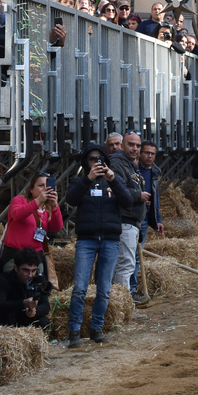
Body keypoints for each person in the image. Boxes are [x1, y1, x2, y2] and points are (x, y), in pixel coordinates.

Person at [64, 144, 133, 348]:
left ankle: (97, 328)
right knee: (79, 288)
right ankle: (74, 330)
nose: (97, 162)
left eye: (100, 159)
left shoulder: (115, 181)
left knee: (104, 289)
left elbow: (128, 201)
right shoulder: (80, 181)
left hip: (110, 240)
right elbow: (71, 199)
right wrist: (89, 179)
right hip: (86, 240)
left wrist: (113, 180)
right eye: (92, 159)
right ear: (86, 162)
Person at [110, 132, 147, 301]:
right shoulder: (117, 163)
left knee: (125, 265)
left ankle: (121, 304)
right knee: (125, 266)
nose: (135, 149)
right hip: (123, 220)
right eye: (131, 145)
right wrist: (139, 196)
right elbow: (117, 190)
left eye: (138, 146)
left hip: (131, 221)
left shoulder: (130, 164)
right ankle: (123, 306)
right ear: (122, 145)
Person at [0, 172, 62, 274]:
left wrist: (55, 207)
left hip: (35, 256)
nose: (45, 189)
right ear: (31, 189)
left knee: (37, 286)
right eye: (41, 186)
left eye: (48, 186)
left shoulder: (47, 209)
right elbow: (17, 215)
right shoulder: (19, 200)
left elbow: (57, 227)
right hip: (15, 255)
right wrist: (38, 201)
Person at [0, 248, 51, 329]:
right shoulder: (4, 279)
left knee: (44, 322)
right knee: (6, 316)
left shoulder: (38, 277)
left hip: (29, 319)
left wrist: (34, 311)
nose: (30, 275)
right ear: (16, 268)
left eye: (33, 271)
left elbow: (46, 306)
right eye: (26, 270)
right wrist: (22, 304)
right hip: (10, 321)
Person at [133, 141, 162, 297]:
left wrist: (157, 219)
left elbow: (156, 198)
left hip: (144, 218)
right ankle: (128, 289)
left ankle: (132, 289)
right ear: (140, 153)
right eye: (147, 153)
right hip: (132, 217)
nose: (149, 156)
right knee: (129, 255)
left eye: (152, 154)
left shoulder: (155, 172)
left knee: (138, 256)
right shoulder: (133, 170)